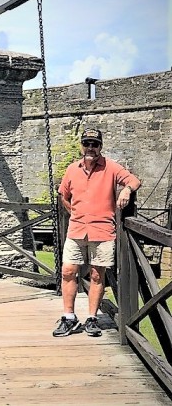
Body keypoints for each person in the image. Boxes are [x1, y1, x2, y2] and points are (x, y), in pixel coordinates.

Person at [53, 128, 141, 338]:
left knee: (96, 274)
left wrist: (127, 190)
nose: (90, 148)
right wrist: (73, 211)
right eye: (87, 143)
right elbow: (63, 194)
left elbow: (134, 180)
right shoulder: (72, 169)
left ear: (101, 146)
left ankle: (92, 318)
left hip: (102, 230)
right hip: (77, 229)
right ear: (81, 146)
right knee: (67, 271)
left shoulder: (110, 167)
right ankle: (69, 317)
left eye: (95, 144)